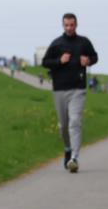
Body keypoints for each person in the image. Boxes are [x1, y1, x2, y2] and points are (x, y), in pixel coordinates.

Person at [41, 13, 99, 173]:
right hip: (59, 89)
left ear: (76, 25)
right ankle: (67, 148)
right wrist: (59, 61)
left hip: (78, 88)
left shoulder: (84, 42)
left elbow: (95, 56)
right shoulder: (56, 44)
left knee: (75, 122)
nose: (69, 27)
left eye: (72, 25)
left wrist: (88, 61)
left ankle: (74, 157)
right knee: (63, 126)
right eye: (66, 25)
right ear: (63, 25)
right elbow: (45, 62)